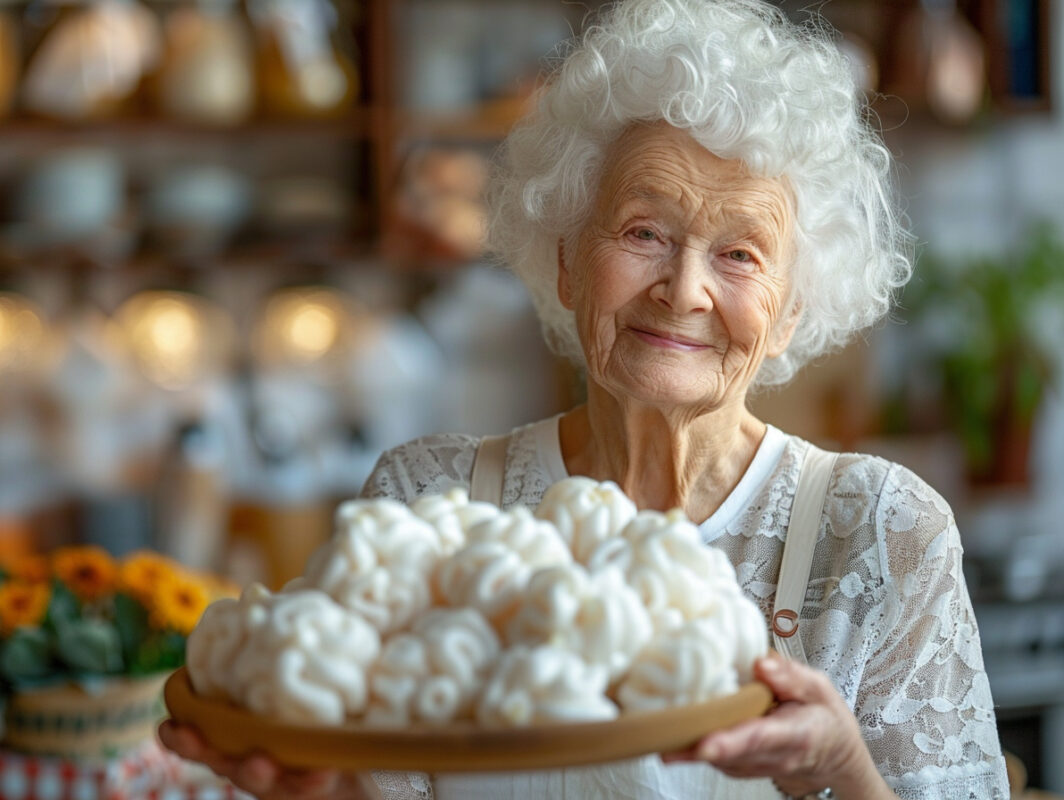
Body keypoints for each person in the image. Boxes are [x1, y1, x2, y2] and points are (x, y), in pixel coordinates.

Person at [159, 0, 1010, 798]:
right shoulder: (430, 504)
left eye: (741, 255)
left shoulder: (881, 533)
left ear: (790, 314)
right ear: (566, 260)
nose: (683, 291)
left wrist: (843, 765)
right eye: (645, 231)